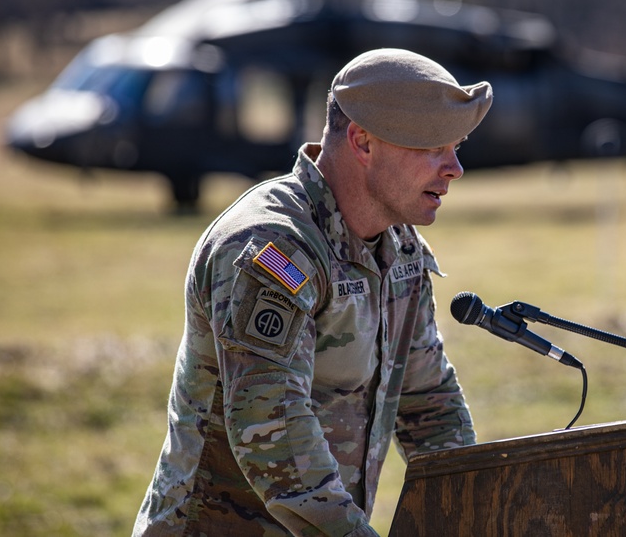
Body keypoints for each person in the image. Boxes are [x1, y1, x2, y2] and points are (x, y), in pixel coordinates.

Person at [133, 48, 493, 536]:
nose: (454, 168)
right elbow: (273, 429)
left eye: (457, 147)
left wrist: (474, 510)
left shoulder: (400, 247)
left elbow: (428, 401)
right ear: (363, 141)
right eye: (432, 147)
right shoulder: (272, 249)